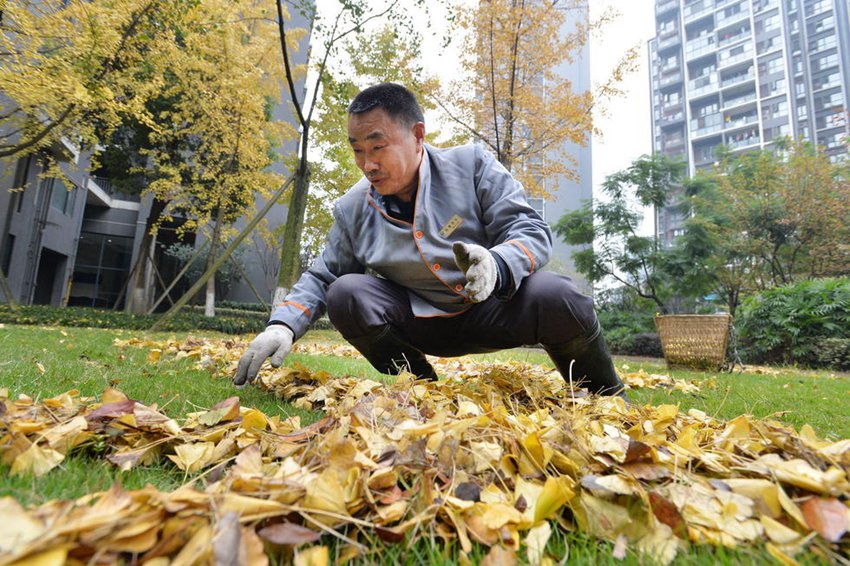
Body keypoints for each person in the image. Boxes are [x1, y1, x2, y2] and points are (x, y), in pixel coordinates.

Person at [234, 82, 625, 397]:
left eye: (377, 147)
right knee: (345, 293)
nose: (367, 164)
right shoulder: (353, 207)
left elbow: (530, 230)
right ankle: (420, 390)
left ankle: (605, 395)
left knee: (558, 294)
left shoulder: (471, 164)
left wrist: (497, 263)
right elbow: (322, 278)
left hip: (496, 311)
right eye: (357, 150)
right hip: (420, 324)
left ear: (417, 135)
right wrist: (282, 325)